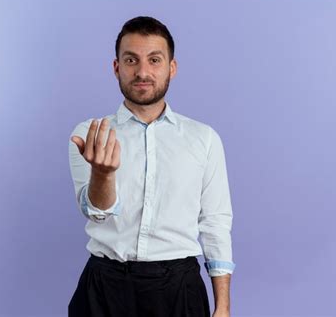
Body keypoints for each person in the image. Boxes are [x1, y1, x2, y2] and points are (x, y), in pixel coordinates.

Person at [68, 16, 236, 317]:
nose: (142, 72)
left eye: (154, 60)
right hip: (105, 287)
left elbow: (215, 223)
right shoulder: (90, 134)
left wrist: (222, 306)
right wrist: (104, 174)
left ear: (172, 67)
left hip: (178, 289)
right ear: (116, 67)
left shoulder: (204, 139)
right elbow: (96, 212)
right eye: (131, 60)